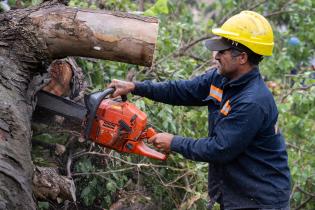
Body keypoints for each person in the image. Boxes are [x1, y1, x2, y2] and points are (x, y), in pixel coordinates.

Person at [109, 11, 291, 210]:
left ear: (242, 58)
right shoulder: (220, 79)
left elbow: (221, 149)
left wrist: (174, 142)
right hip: (238, 195)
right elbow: (181, 90)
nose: (216, 56)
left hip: (261, 201)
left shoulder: (252, 102)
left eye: (222, 51)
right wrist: (136, 87)